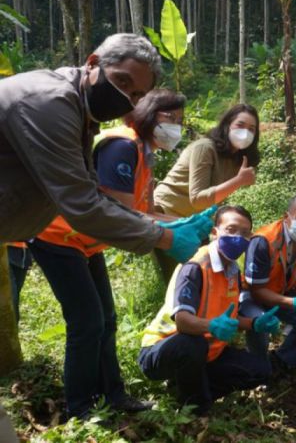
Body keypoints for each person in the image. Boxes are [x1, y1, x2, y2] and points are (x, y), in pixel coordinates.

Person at [26, 89, 207, 420]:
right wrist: (168, 236)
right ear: (149, 114)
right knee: (87, 324)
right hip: (59, 235)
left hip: (88, 241)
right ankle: (79, 407)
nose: (176, 127)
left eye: (181, 120)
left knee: (106, 320)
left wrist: (184, 222)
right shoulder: (122, 146)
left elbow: (144, 211)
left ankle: (114, 395)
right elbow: (118, 214)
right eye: (170, 118)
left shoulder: (144, 153)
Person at [0, 33, 202, 263]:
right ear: (93, 62)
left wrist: (163, 226)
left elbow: (94, 192)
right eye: (122, 81)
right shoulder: (49, 103)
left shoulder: (82, 111)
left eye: (137, 95)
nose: (126, 96)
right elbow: (82, 203)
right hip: (57, 239)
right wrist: (164, 237)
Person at [140, 206, 278, 415]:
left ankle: (189, 387)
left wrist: (254, 324)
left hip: (205, 351)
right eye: (231, 230)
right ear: (214, 233)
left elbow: (229, 318)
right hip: (164, 348)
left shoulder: (232, 270)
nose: (237, 238)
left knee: (261, 370)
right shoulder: (195, 267)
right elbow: (183, 322)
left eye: (244, 233)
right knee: (191, 343)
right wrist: (211, 326)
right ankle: (195, 406)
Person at [153, 104, 261, 281]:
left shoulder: (236, 159)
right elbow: (198, 198)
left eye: (251, 129)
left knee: (207, 273)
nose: (246, 132)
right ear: (227, 125)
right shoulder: (205, 148)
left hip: (195, 221)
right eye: (240, 125)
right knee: (182, 278)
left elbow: (215, 197)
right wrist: (238, 181)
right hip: (167, 216)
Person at [240, 194, 296, 373]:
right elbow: (257, 290)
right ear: (287, 217)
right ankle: (257, 366)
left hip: (285, 292)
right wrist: (293, 303)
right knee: (259, 324)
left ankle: (281, 362)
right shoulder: (264, 241)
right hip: (253, 295)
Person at [7, 242, 32, 322]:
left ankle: (13, 331)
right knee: (11, 299)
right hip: (5, 249)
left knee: (15, 297)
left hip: (23, 254)